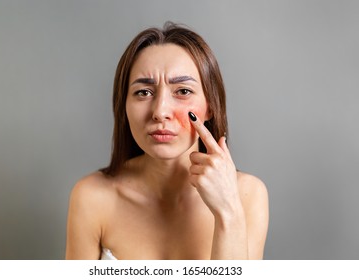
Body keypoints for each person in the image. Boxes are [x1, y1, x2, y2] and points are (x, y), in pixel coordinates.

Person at [65, 22, 269, 260]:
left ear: (210, 107)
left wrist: (228, 213)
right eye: (143, 92)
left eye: (182, 91)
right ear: (124, 107)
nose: (160, 111)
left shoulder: (248, 195)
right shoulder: (91, 196)